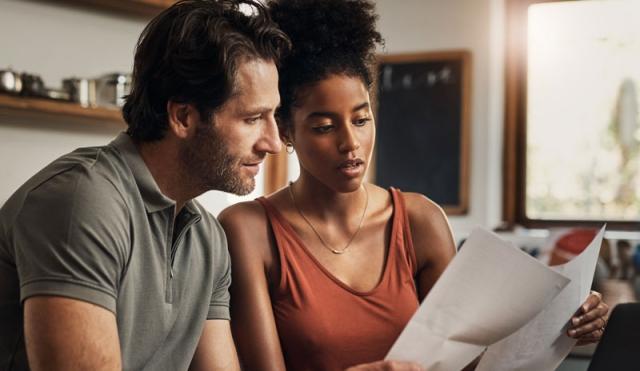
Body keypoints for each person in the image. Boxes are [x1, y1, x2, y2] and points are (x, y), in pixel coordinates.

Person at [218, 0, 609, 370]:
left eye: (361, 119)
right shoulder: (249, 230)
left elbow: (472, 362)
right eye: (323, 127)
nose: (350, 144)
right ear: (284, 129)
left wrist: (562, 323)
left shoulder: (420, 221)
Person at [0, 1, 289, 370]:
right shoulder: (82, 201)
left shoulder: (207, 238)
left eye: (273, 117)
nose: (273, 142)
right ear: (183, 117)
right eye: (252, 119)